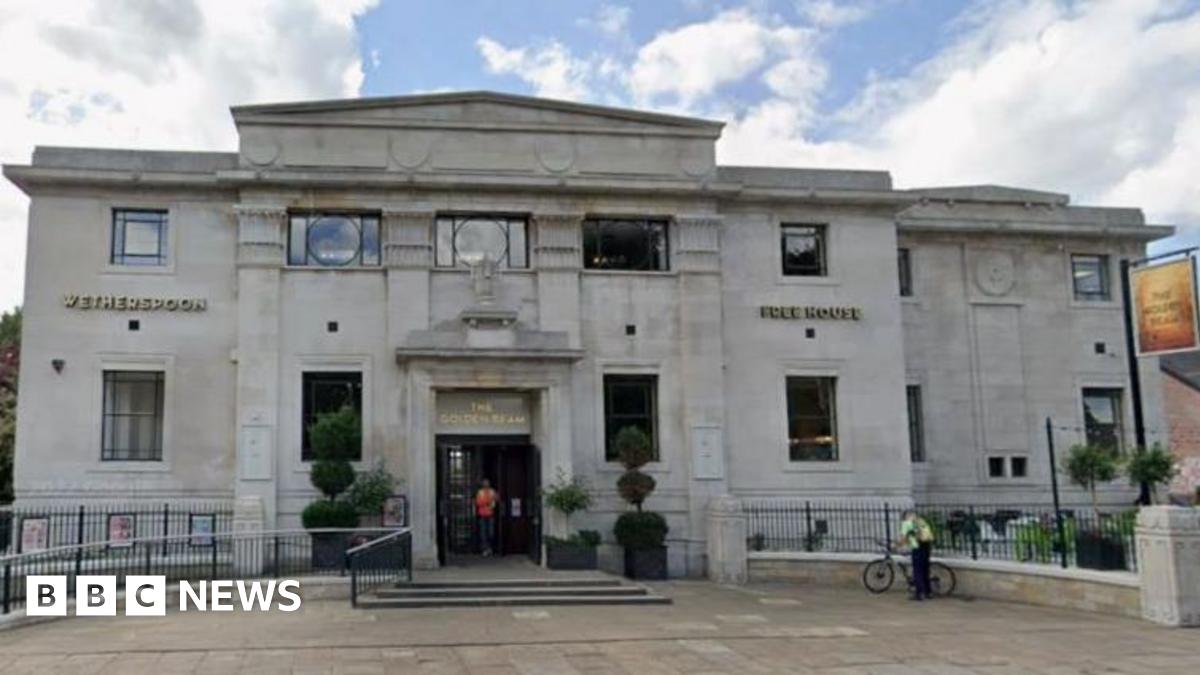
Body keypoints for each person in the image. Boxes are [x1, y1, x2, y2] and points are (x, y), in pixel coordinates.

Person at [899, 509, 935, 600]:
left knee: (917, 571)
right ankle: (928, 592)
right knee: (925, 570)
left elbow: (903, 538)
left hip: (917, 548)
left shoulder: (906, 524)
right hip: (926, 546)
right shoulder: (921, 521)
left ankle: (920, 593)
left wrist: (897, 545)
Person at [474, 478, 499, 556]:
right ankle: (484, 549)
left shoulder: (492, 491)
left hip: (490, 514)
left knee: (491, 533)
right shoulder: (480, 492)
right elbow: (478, 502)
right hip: (482, 515)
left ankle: (490, 548)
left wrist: (487, 501)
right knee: (483, 533)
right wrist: (488, 502)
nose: (486, 484)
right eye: (484, 483)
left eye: (487, 483)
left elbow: (497, 499)